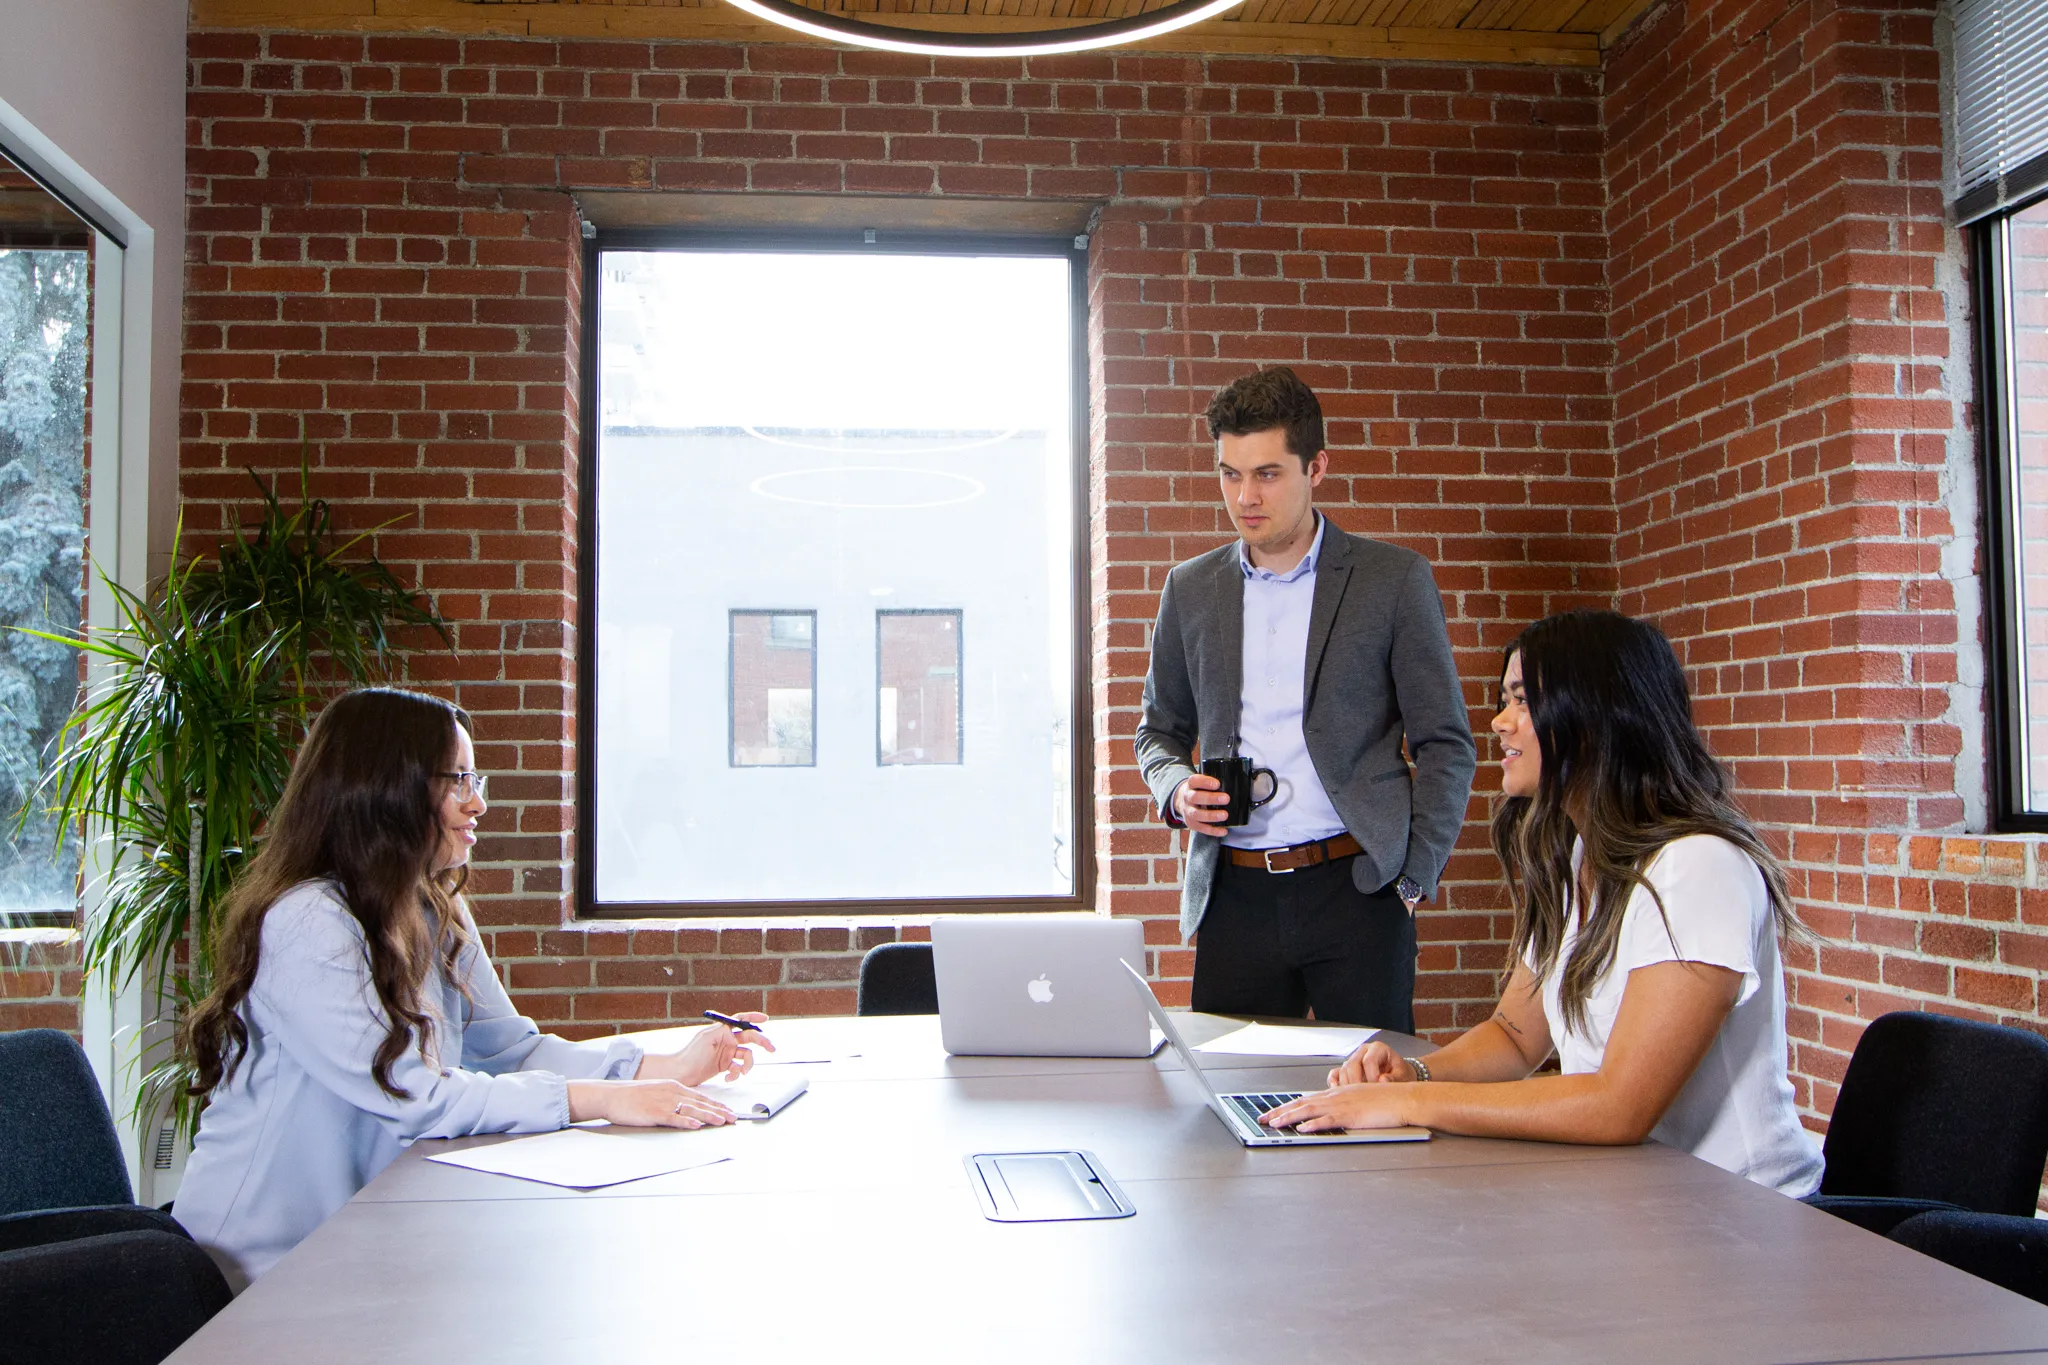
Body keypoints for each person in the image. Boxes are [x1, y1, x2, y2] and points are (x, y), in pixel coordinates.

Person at [172, 688, 772, 1289]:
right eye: (457, 781)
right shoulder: (308, 922)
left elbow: (512, 1050)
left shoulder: (433, 905)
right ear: (387, 792)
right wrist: (602, 1099)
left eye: (473, 777)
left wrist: (667, 1067)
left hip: (368, 1240)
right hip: (259, 1268)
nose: (478, 802)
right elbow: (417, 1098)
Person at [1262, 610, 1824, 1197]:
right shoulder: (1582, 857)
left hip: (1740, 1210)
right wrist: (1413, 1074)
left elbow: (1616, 1106)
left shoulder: (1698, 867)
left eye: (1523, 701)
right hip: (1635, 1197)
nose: (1500, 723)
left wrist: (1410, 1102)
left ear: (1597, 712)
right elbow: (1514, 1036)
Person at [1134, 366, 1476, 1030]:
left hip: (1358, 888)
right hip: (1232, 892)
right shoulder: (1190, 589)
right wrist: (1176, 788)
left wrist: (1412, 879)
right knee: (1233, 1106)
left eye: (1266, 473)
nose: (1245, 496)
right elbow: (1159, 731)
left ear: (1316, 466)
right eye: (1230, 474)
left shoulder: (1393, 580)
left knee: (1374, 1101)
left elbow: (1446, 744)